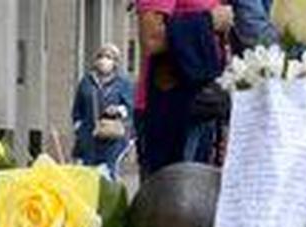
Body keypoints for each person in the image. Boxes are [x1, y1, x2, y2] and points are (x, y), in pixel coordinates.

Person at [136, 1, 235, 175]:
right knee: (171, 198)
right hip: (171, 114)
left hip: (206, 108)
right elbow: (151, 39)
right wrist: (209, 21)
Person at [71, 44, 136, 179]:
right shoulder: (86, 82)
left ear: (115, 62)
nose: (104, 60)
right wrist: (79, 127)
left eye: (109, 57)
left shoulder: (123, 83)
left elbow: (131, 108)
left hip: (113, 138)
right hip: (89, 136)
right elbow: (78, 108)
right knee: (87, 175)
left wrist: (118, 110)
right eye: (101, 56)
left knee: (109, 174)